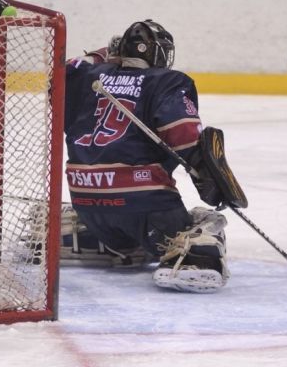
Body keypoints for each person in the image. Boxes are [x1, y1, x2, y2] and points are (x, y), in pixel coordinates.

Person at [62, 19, 230, 293]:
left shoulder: (88, 76)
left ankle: (102, 242)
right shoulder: (168, 81)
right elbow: (184, 135)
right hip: (146, 204)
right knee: (206, 225)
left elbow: (62, 72)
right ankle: (194, 260)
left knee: (117, 226)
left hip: (86, 201)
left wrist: (99, 55)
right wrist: (208, 176)